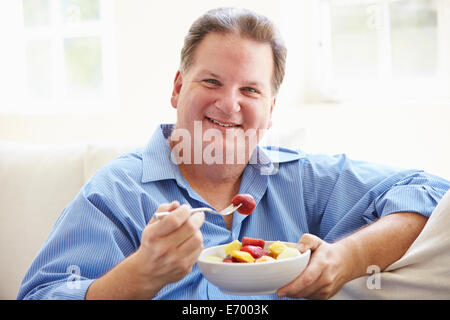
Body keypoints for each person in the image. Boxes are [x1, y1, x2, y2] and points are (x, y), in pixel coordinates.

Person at [18, 7, 450, 300]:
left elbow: (430, 191)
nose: (229, 104)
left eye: (249, 90)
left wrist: (345, 258)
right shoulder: (117, 192)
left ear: (270, 109)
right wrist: (138, 276)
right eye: (211, 82)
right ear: (176, 88)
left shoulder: (300, 179)